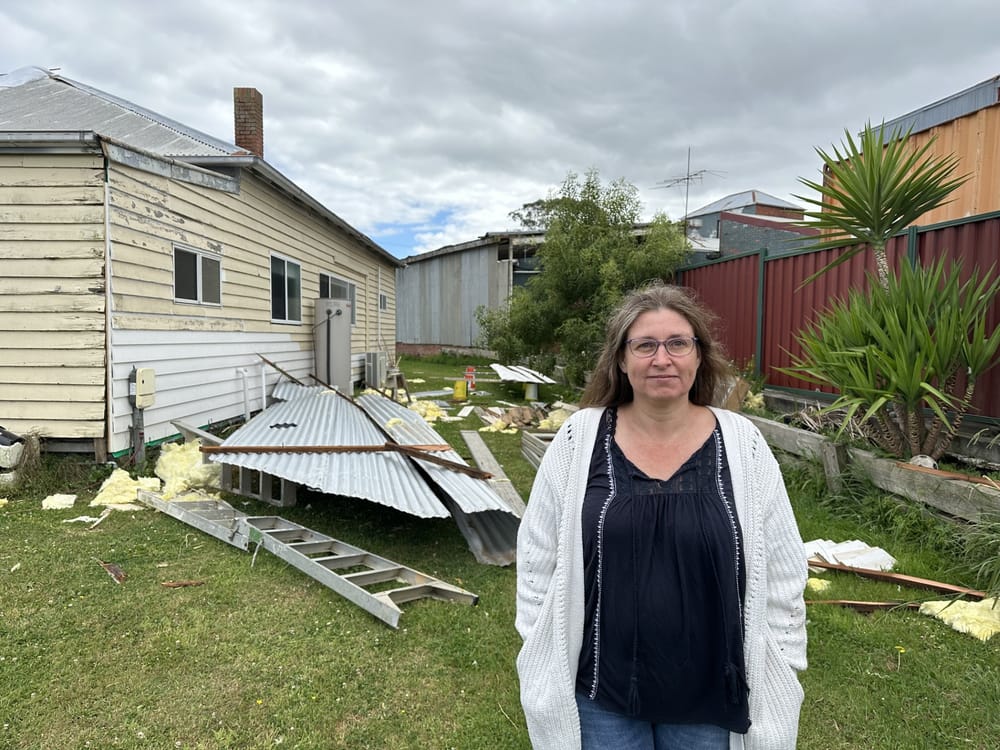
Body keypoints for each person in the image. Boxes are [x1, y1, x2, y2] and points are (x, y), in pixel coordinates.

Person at [515, 282, 807, 750]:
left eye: (677, 343)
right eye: (645, 345)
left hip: (710, 690)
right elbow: (537, 553)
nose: (662, 358)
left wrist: (782, 657)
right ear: (622, 360)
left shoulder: (743, 443)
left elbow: (784, 566)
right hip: (599, 690)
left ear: (698, 355)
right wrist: (542, 644)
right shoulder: (579, 439)